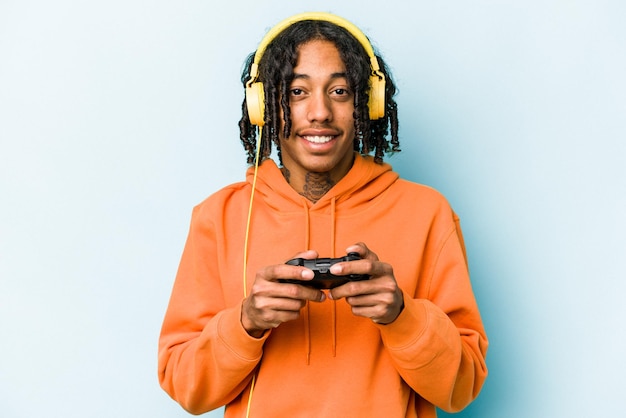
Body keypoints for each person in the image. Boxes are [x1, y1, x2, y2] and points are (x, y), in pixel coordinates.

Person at [158, 12, 488, 418]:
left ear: (368, 103)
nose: (319, 113)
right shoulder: (220, 218)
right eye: (297, 92)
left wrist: (402, 315)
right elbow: (185, 388)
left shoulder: (427, 214)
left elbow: (462, 386)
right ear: (264, 106)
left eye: (340, 91)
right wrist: (247, 323)